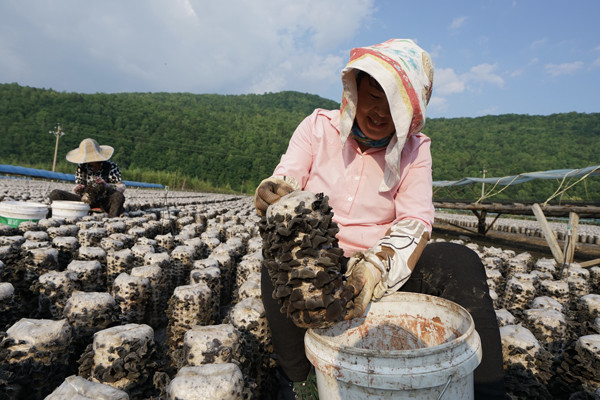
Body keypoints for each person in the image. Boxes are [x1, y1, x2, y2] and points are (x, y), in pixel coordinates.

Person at [254, 39, 505, 400]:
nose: (381, 111)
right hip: (321, 256)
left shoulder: (416, 151)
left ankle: (488, 389)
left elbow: (416, 221)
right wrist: (275, 189)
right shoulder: (316, 127)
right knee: (276, 264)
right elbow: (288, 175)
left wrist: (373, 268)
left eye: (396, 104)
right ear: (353, 89)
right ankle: (299, 381)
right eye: (373, 94)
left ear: (413, 112)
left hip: (383, 268)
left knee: (459, 261)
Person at [48, 138, 126, 218]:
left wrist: (106, 186)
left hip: (104, 201)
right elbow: (79, 183)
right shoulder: (82, 166)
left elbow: (121, 187)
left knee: (118, 197)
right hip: (85, 201)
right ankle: (54, 214)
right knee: (56, 194)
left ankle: (112, 218)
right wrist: (79, 188)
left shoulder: (111, 166)